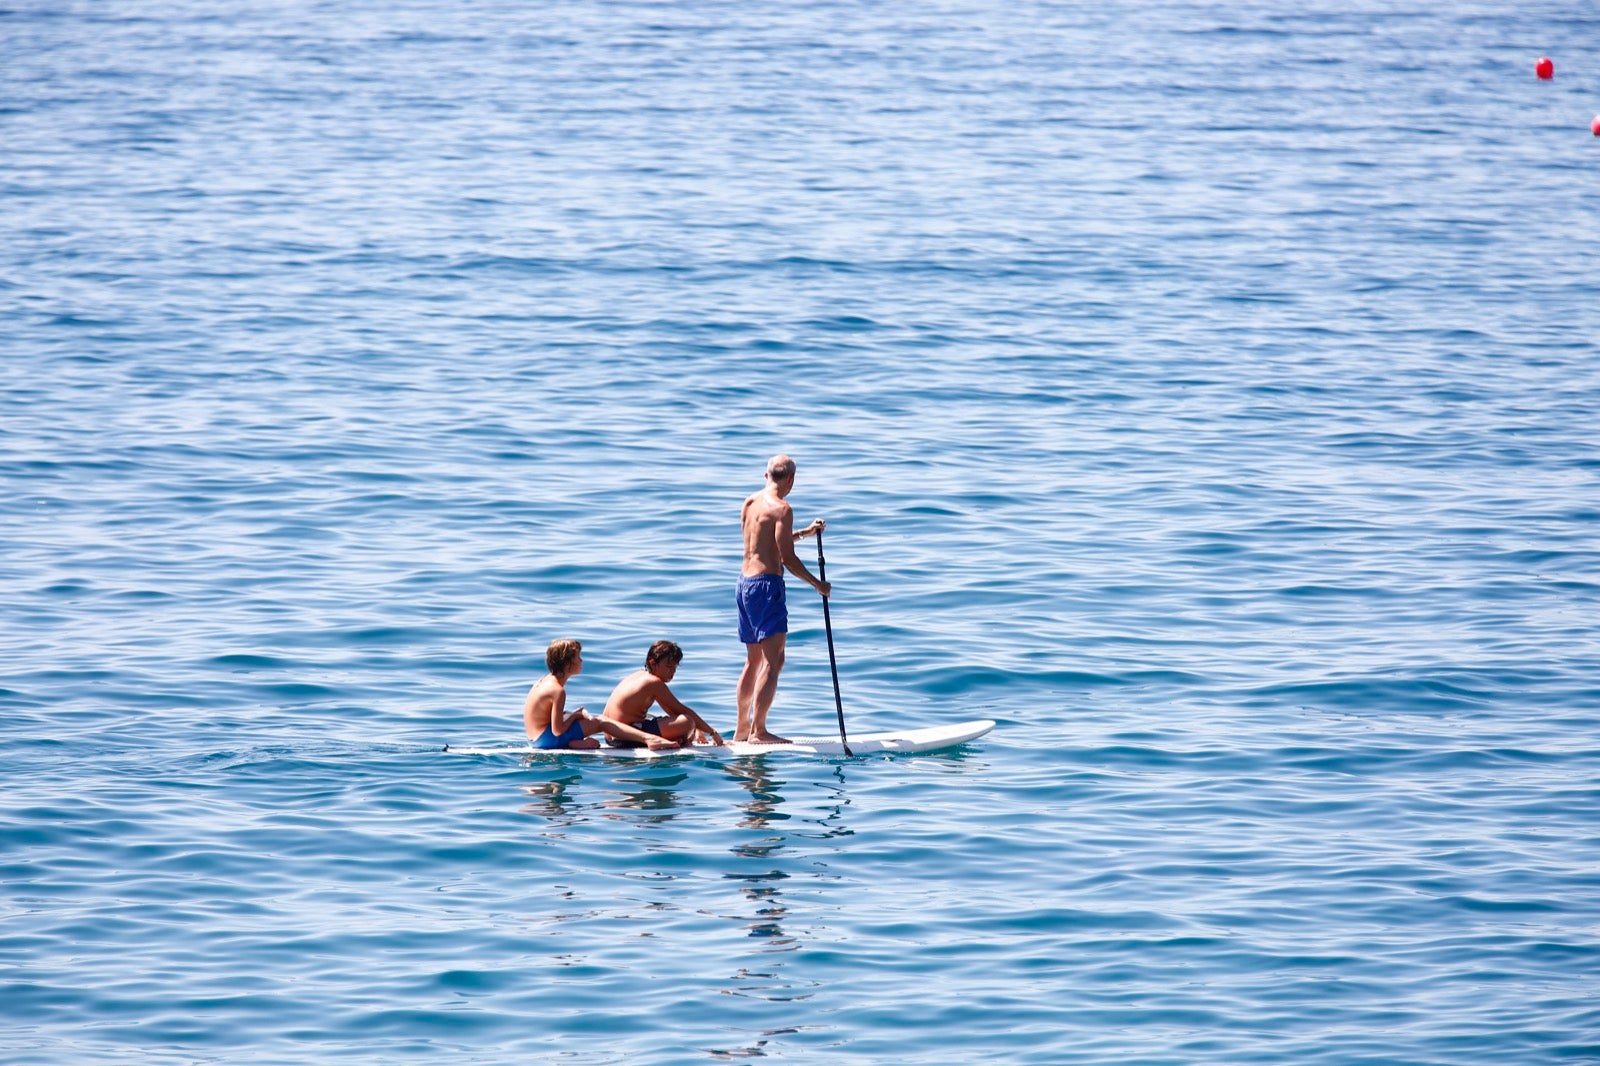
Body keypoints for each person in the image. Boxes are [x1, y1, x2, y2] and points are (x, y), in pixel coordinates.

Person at [735, 453, 830, 743]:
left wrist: (804, 533)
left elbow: (766, 544)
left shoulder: (750, 503)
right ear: (791, 479)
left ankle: (742, 729)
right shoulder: (783, 509)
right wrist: (817, 584)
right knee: (773, 662)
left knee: (753, 662)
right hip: (766, 588)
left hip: (744, 585)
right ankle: (759, 732)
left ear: (767, 476)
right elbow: (786, 558)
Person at [523, 639, 677, 751]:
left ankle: (574, 742)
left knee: (584, 717)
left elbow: (549, 718)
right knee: (601, 721)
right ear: (568, 663)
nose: (581, 661)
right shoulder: (558, 690)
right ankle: (650, 739)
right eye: (578, 657)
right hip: (547, 740)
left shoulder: (545, 681)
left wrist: (576, 715)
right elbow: (558, 730)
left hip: (536, 738)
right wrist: (575, 716)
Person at [602, 640, 725, 748]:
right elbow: (683, 710)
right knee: (687, 721)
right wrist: (712, 733)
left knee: (676, 720)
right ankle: (675, 740)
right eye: (669, 667)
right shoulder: (654, 682)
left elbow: (670, 709)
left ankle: (675, 738)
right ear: (653, 663)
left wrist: (697, 729)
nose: (673, 672)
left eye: (675, 668)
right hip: (623, 737)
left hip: (610, 735)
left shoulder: (640, 675)